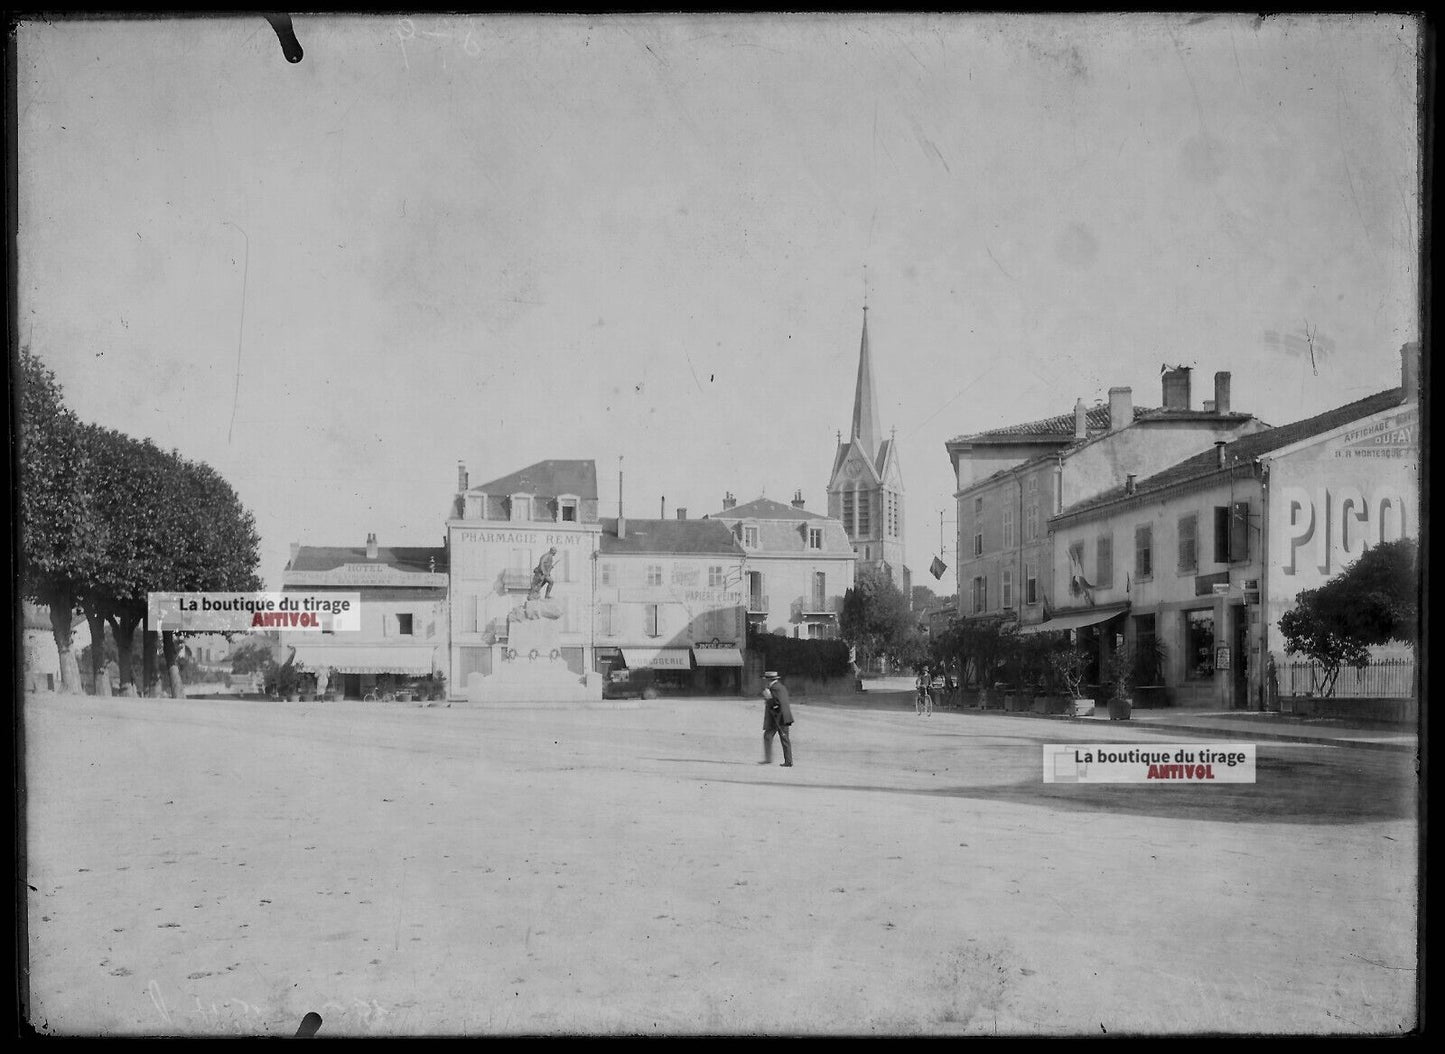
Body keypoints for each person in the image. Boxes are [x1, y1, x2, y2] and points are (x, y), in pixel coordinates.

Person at [758, 670, 794, 767]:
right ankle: (788, 760)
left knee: (770, 736)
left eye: (766, 680)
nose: (765, 682)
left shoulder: (774, 688)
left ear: (769, 680)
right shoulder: (781, 687)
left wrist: (768, 697)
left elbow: (776, 704)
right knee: (783, 738)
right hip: (784, 717)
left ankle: (771, 759)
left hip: (777, 718)